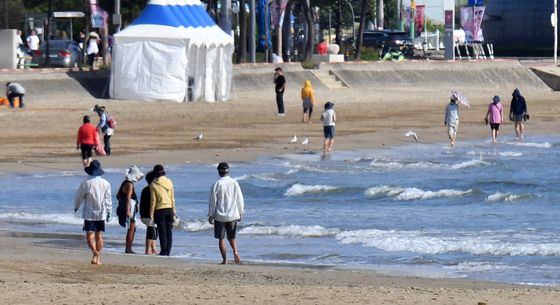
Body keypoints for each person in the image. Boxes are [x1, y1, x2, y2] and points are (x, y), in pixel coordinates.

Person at [74, 160, 112, 265]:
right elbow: (108, 199)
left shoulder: (86, 183)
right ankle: (98, 257)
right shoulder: (106, 183)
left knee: (89, 235)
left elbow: (79, 196)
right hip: (101, 212)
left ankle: (95, 253)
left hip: (88, 213)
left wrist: (76, 206)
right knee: (99, 235)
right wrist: (109, 211)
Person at [208, 162, 245, 264]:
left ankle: (225, 260)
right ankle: (235, 251)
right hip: (233, 213)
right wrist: (241, 212)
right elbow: (240, 199)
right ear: (228, 171)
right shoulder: (234, 182)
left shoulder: (217, 184)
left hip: (220, 215)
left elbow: (213, 201)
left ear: (219, 172)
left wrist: (211, 215)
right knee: (232, 236)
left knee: (221, 238)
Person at [149, 164, 176, 256]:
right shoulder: (169, 181)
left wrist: (151, 214)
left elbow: (153, 201)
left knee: (162, 232)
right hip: (169, 209)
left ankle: (163, 251)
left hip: (160, 210)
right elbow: (172, 197)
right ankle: (168, 251)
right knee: (169, 231)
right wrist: (174, 210)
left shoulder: (153, 184)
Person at [117, 165, 144, 254]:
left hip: (126, 207)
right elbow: (128, 198)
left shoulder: (125, 183)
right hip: (130, 208)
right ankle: (128, 248)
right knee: (131, 229)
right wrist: (128, 210)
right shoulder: (129, 184)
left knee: (132, 228)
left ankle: (128, 248)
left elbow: (118, 196)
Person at [139, 171, 158, 255]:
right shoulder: (152, 189)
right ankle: (147, 250)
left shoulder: (145, 189)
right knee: (151, 230)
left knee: (153, 230)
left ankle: (153, 248)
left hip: (144, 214)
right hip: (148, 214)